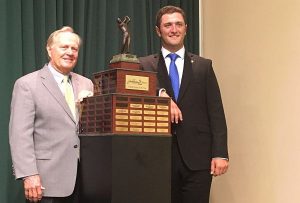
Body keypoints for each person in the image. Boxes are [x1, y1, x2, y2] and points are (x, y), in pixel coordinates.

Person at [139, 6, 229, 203]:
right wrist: (161, 93)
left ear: (186, 28)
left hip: (198, 159)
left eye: (178, 24)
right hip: (158, 158)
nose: (174, 29)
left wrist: (220, 153)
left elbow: (216, 112)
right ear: (158, 31)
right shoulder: (144, 65)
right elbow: (137, 90)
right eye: (168, 25)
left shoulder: (204, 66)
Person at [9, 26, 94, 203]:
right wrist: (29, 174)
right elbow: (20, 135)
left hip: (86, 180)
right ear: (49, 49)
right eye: (64, 47)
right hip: (48, 181)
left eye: (74, 48)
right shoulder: (27, 84)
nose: (70, 52)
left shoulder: (87, 84)